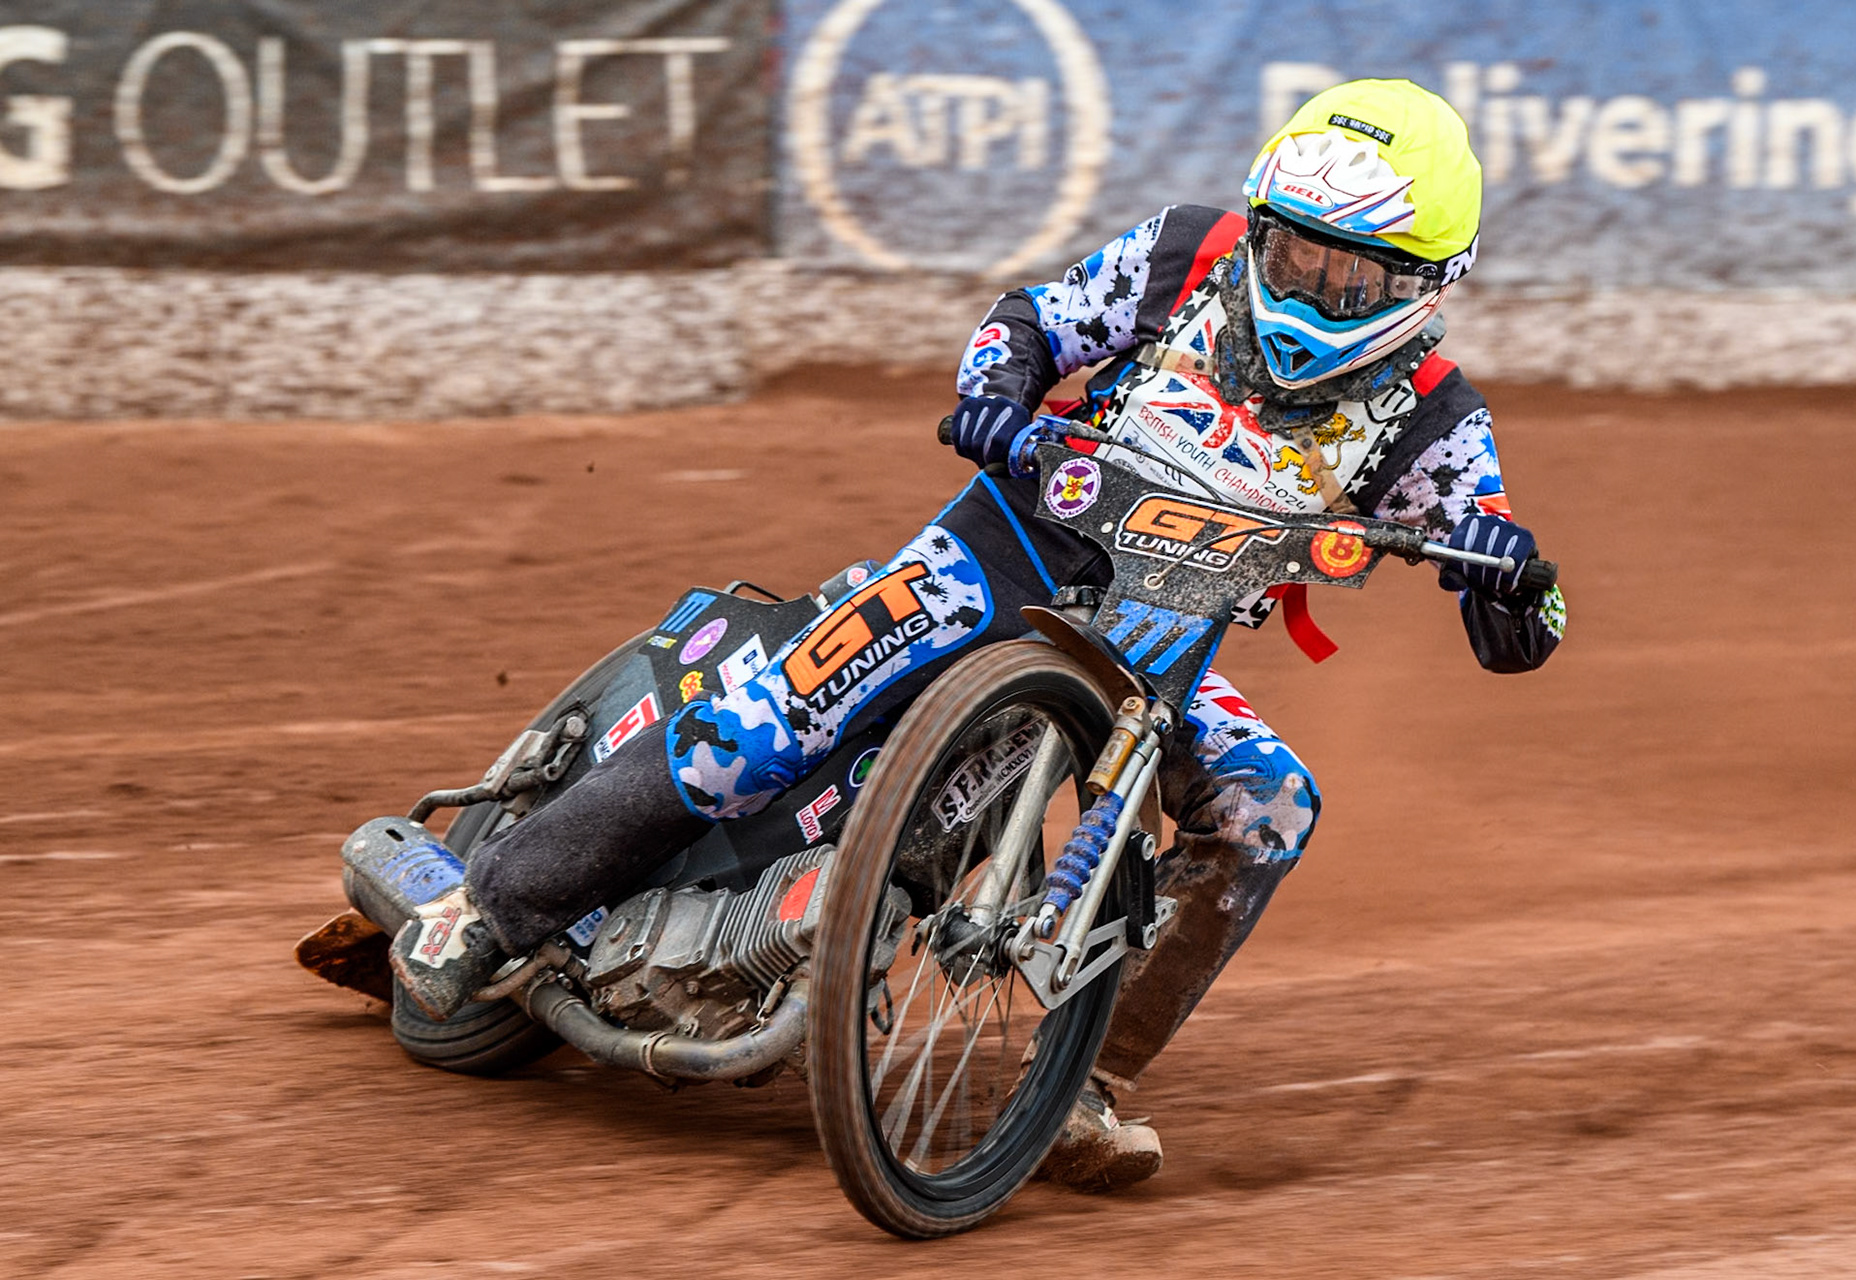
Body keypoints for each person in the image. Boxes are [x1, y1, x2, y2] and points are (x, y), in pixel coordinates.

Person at [383, 78, 1566, 1192]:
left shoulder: (1435, 418)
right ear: (1258, 226)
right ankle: (489, 907)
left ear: (1426, 281)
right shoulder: (1186, 253)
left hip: (1164, 648)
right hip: (997, 553)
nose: (1306, 280)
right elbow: (1030, 323)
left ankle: (1086, 1083)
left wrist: (1514, 585)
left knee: (1272, 802)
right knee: (753, 728)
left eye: (1346, 269)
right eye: (1291, 245)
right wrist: (999, 396)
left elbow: (1505, 598)